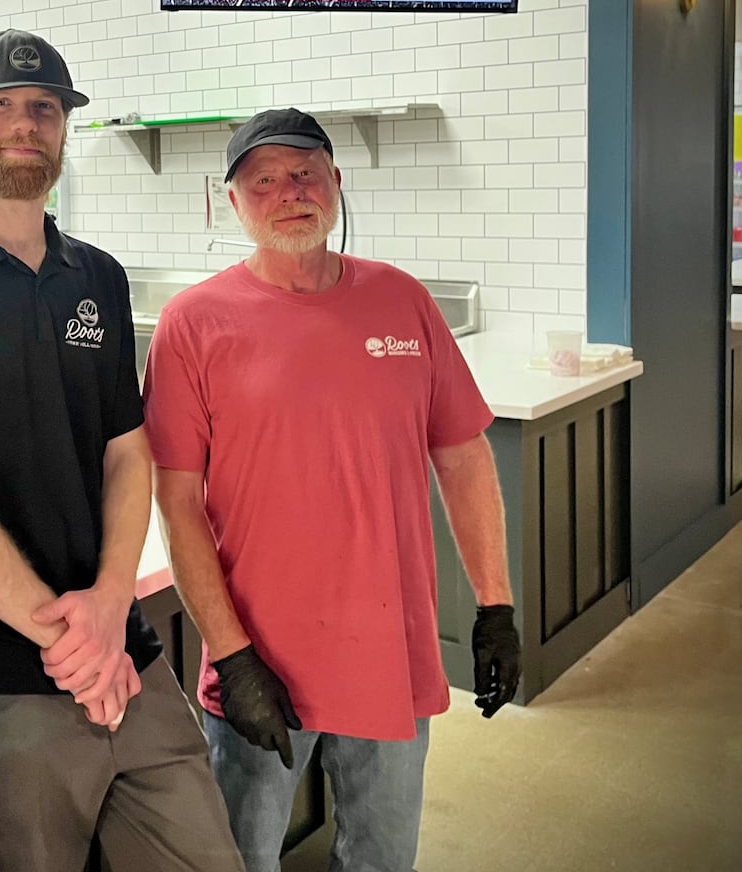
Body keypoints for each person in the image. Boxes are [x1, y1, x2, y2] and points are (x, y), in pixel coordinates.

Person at [0, 29, 244, 872]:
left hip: (123, 647)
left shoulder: (99, 278)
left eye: (44, 109)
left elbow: (127, 453)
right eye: (0, 106)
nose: (25, 124)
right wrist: (71, 644)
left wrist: (112, 606)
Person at [142, 108, 522, 872]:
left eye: (307, 172)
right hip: (262, 660)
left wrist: (497, 604)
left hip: (390, 652)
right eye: (265, 180)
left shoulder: (403, 302)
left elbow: (464, 457)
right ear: (231, 202)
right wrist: (232, 655)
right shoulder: (191, 323)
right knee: (241, 858)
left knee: (383, 857)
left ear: (338, 184)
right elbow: (176, 502)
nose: (291, 192)